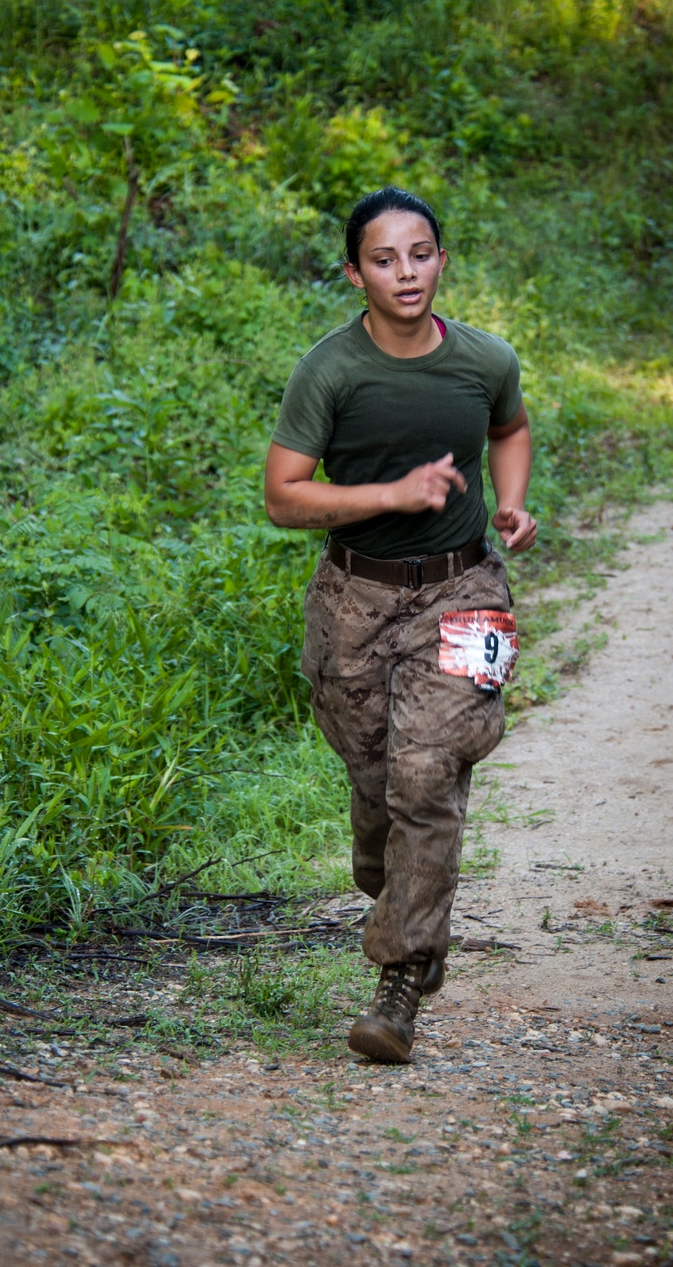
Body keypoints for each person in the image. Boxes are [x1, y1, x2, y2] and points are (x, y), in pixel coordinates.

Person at [264, 186, 537, 1064]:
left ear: (441, 260)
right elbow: (282, 495)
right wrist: (391, 493)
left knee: (427, 774)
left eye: (419, 254)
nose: (405, 272)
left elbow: (512, 427)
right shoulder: (332, 370)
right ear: (355, 274)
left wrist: (514, 502)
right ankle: (398, 896)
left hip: (462, 593)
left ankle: (399, 980)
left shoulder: (484, 360)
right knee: (379, 788)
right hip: (354, 600)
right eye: (383, 259)